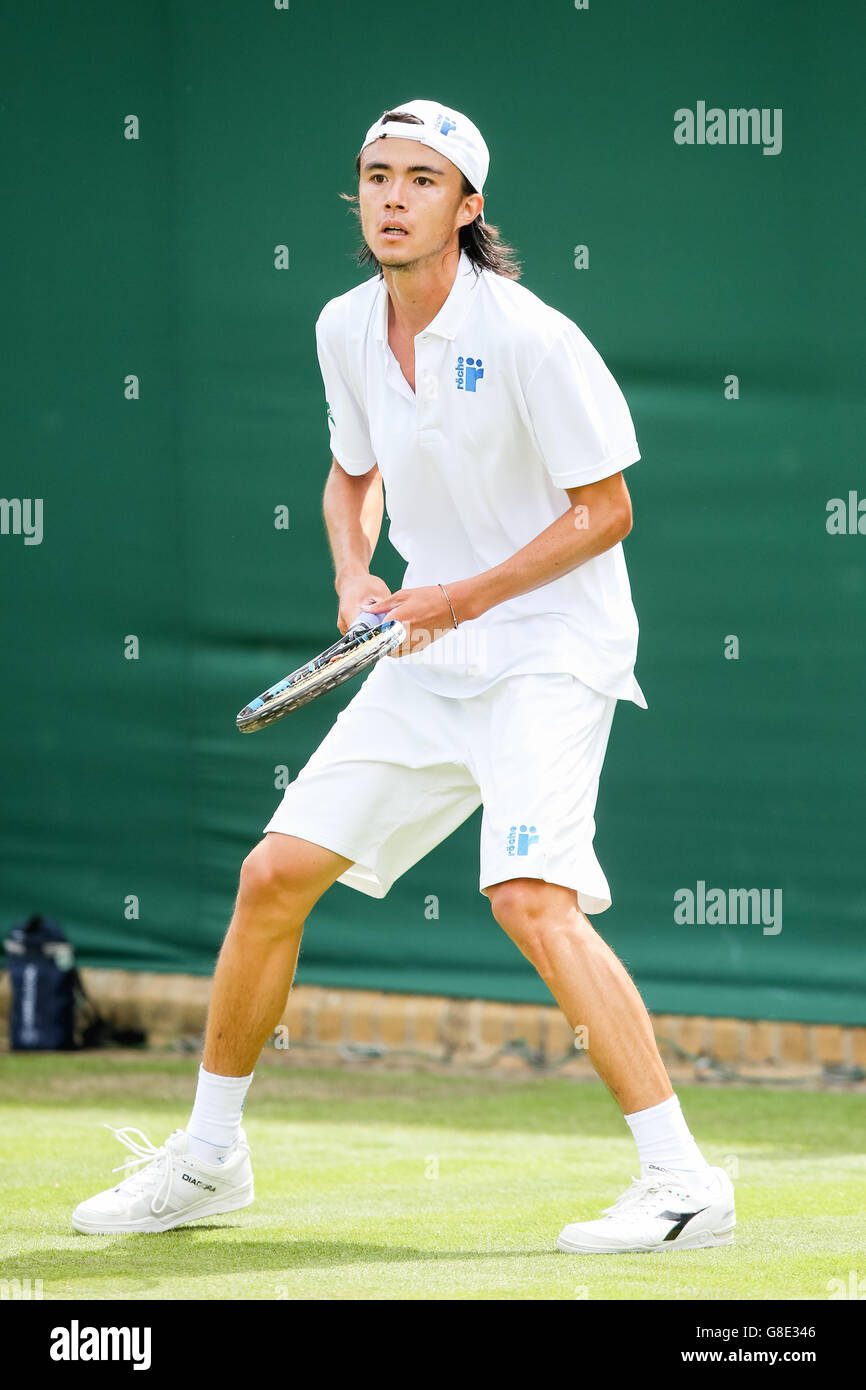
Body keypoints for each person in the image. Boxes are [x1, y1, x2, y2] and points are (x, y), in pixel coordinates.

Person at [73, 99, 735, 1254]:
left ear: (467, 207)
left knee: (528, 897)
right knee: (271, 874)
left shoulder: (532, 337)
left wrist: (460, 596)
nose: (389, 196)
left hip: (548, 650)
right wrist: (353, 575)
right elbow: (349, 480)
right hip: (423, 651)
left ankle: (682, 1186)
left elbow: (607, 511)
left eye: (419, 180)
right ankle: (209, 1160)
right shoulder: (341, 325)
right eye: (375, 175)